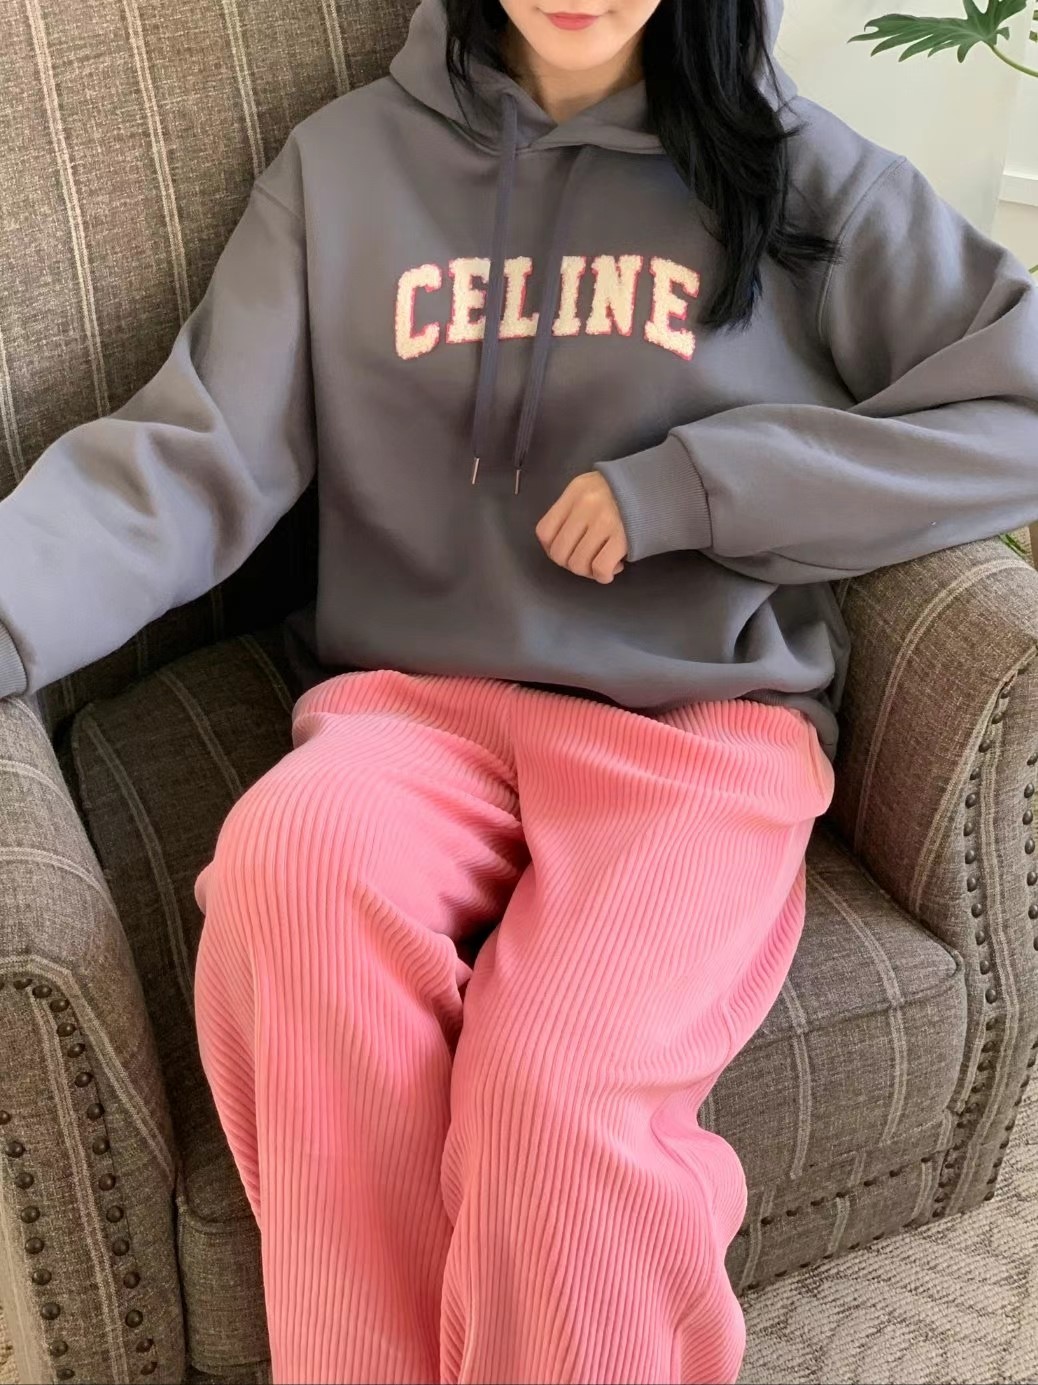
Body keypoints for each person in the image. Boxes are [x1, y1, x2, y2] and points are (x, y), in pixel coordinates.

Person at [1, 0, 1037, 1378]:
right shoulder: (344, 166)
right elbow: (188, 461)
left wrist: (704, 487)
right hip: (410, 709)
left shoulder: (795, 167)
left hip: (692, 728)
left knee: (551, 1097)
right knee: (286, 874)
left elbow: (1019, 400)